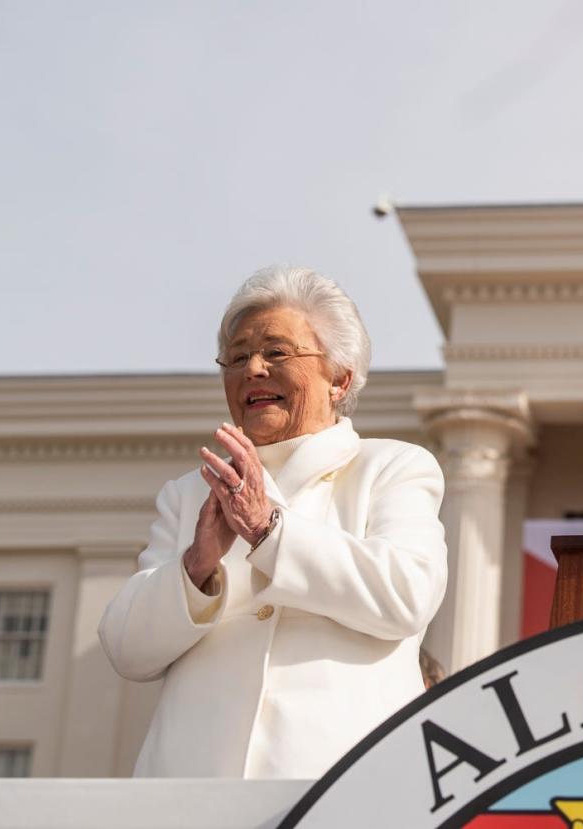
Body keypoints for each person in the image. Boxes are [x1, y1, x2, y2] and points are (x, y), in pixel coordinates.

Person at [98, 265, 447, 778]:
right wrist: (196, 567)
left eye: (277, 353)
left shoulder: (391, 467)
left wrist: (268, 532)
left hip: (340, 785)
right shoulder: (189, 492)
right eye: (236, 358)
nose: (253, 370)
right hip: (190, 790)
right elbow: (128, 650)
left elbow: (407, 595)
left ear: (340, 378)